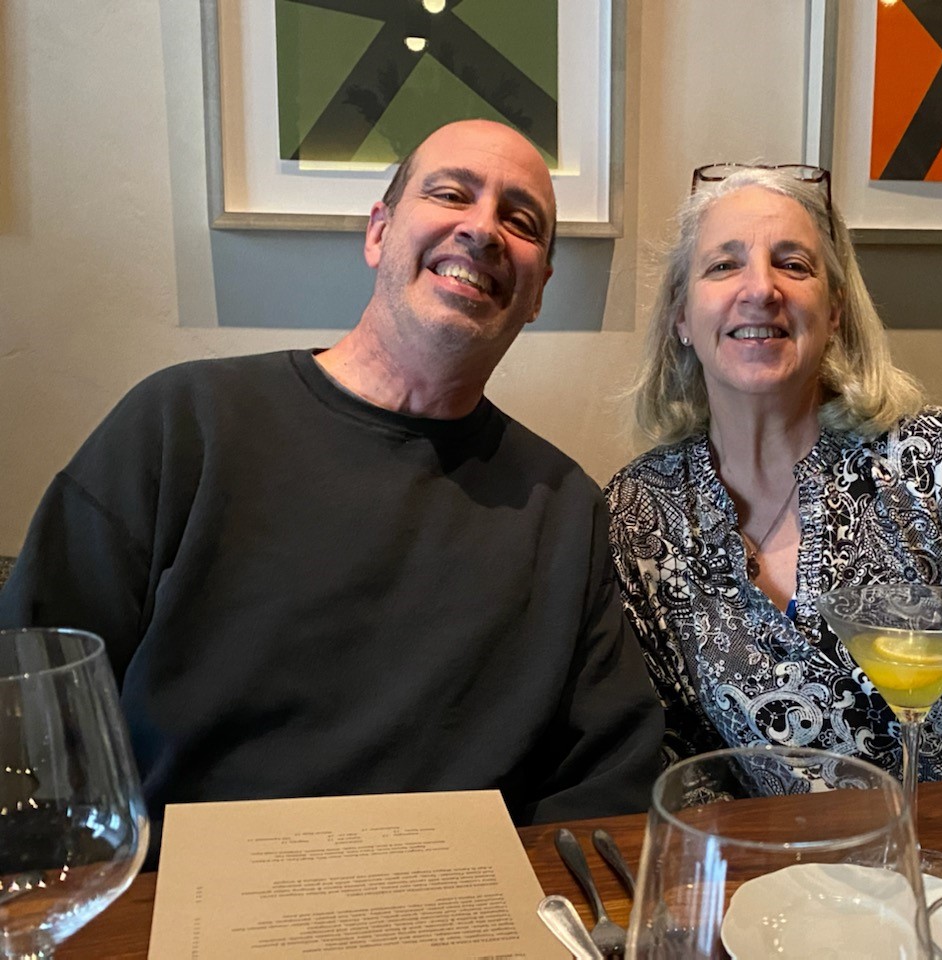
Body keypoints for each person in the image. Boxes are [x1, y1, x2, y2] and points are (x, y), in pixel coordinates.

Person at [0, 120, 662, 860]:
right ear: (378, 232)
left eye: (521, 220)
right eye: (451, 193)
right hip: (183, 909)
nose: (483, 229)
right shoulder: (183, 425)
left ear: (537, 291)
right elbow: (30, 701)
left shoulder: (566, 509)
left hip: (457, 915)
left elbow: (607, 781)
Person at [606, 163, 942, 782]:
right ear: (681, 317)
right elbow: (675, 763)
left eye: (793, 264)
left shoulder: (941, 460)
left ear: (834, 313)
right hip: (776, 870)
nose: (760, 289)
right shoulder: (638, 512)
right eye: (724, 265)